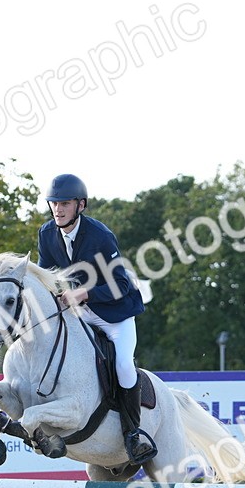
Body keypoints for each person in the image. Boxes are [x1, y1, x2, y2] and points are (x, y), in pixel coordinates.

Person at [36, 173, 153, 465]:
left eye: (64, 203)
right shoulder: (46, 233)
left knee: (124, 365)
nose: (58, 209)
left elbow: (121, 285)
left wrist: (83, 294)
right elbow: (45, 278)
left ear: (81, 205)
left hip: (116, 315)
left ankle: (132, 434)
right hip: (81, 315)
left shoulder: (100, 236)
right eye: (53, 203)